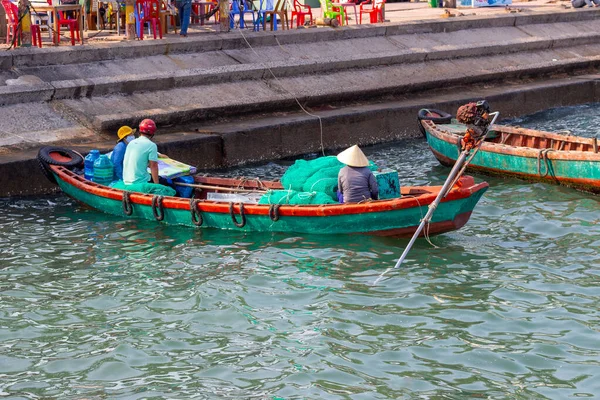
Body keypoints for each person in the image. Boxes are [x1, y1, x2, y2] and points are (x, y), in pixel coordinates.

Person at [123, 119, 160, 185]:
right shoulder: (152, 145)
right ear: (152, 133)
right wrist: (157, 185)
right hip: (141, 182)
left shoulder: (131, 143)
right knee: (166, 182)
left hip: (126, 181)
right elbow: (153, 166)